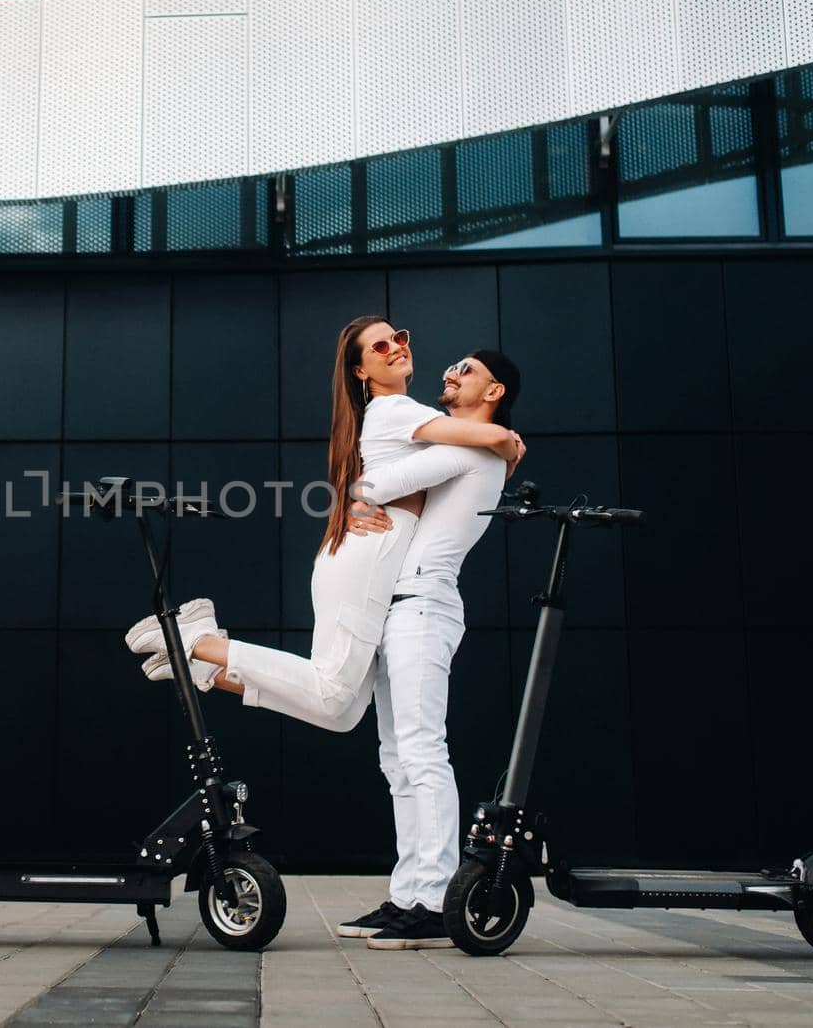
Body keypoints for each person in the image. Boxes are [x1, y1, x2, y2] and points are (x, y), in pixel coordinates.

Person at [123, 318, 523, 740]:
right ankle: (192, 638)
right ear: (361, 372)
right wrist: (507, 442)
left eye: (398, 338)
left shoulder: (399, 413)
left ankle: (200, 666)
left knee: (342, 714)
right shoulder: (397, 408)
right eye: (381, 347)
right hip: (370, 557)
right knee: (333, 696)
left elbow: (451, 455)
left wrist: (356, 503)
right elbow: (484, 436)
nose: (397, 347)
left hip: (361, 556)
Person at [343, 349, 522, 951]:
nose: (449, 373)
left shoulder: (470, 448)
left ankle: (438, 899)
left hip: (424, 606)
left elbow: (378, 482)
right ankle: (407, 896)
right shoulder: (478, 442)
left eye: (465, 371)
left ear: (493, 390)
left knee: (421, 751)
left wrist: (361, 494)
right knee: (397, 760)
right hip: (405, 606)